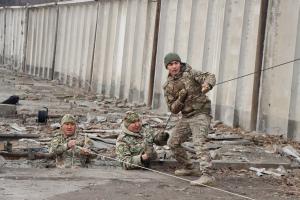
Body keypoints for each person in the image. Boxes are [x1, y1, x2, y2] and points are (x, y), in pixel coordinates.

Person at [163, 52, 216, 186]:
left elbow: (209, 76)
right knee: (173, 142)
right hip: (186, 116)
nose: (174, 66)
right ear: (167, 67)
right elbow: (173, 109)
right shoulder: (168, 86)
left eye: (176, 63)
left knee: (199, 142)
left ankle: (207, 175)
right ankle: (188, 167)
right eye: (170, 64)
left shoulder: (191, 73)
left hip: (201, 113)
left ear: (180, 63)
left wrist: (207, 85)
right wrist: (180, 99)